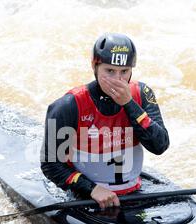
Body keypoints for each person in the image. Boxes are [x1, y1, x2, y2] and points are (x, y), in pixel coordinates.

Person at [40, 33, 169, 210]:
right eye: (110, 71)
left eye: (124, 72)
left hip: (134, 191)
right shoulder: (67, 106)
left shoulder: (142, 94)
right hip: (86, 195)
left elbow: (160, 146)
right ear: (95, 66)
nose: (118, 80)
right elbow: (50, 164)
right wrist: (91, 189)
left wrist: (129, 104)